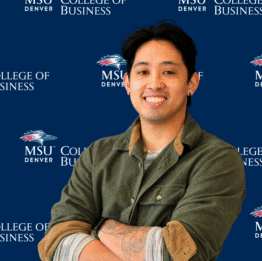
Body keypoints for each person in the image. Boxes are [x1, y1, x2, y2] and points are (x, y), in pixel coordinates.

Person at [38, 21, 246, 261]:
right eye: (143, 72)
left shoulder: (218, 159)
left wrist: (100, 228)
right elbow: (56, 242)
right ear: (127, 83)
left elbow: (176, 253)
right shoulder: (97, 155)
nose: (155, 84)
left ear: (192, 83)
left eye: (168, 72)